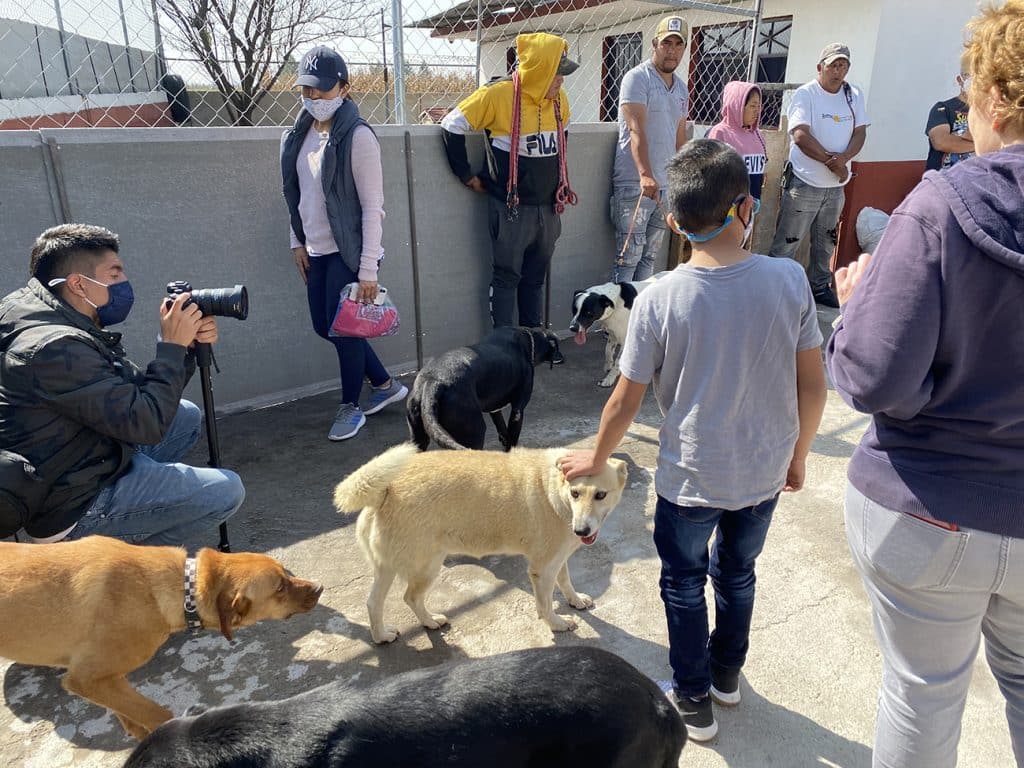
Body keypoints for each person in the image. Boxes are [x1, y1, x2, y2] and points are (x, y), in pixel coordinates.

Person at [559, 139, 827, 742]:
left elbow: (624, 401)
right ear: (746, 207)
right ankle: (727, 677)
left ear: (675, 222)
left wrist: (596, 458)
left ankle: (694, 697)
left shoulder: (656, 298)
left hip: (689, 480)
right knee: (738, 573)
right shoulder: (789, 280)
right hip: (763, 472)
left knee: (683, 581)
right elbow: (814, 387)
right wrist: (799, 454)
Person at [827, 4, 1024, 766]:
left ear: (997, 96)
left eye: (970, 86)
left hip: (930, 509)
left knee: (921, 694)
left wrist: (856, 309)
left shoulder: (940, 205)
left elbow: (874, 376)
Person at [0, 224, 245, 545]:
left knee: (184, 417)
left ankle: (136, 502)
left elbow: (130, 395)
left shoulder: (37, 308)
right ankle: (112, 565)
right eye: (114, 274)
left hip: (76, 451)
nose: (124, 283)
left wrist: (183, 350)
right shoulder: (55, 346)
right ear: (78, 284)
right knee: (225, 491)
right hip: (65, 502)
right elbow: (146, 422)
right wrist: (170, 347)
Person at [281, 45, 408, 442]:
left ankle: (351, 406)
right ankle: (385, 385)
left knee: (345, 331)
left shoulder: (358, 137)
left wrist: (367, 269)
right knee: (326, 325)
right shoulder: (297, 135)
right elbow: (295, 194)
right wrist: (296, 242)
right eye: (307, 90)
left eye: (322, 89)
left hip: (348, 252)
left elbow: (373, 208)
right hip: (314, 248)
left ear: (344, 88)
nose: (314, 98)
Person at [441, 32, 578, 329]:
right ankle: (502, 345)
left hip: (548, 207)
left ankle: (532, 342)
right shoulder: (498, 95)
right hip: (511, 209)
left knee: (535, 278)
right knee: (507, 277)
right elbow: (452, 124)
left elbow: (562, 137)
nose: (561, 81)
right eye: (557, 74)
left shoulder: (558, 101)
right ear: (540, 72)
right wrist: (466, 176)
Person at [768, 43, 870, 308]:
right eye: (833, 65)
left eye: (843, 66)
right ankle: (774, 289)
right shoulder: (807, 94)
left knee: (826, 242)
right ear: (820, 67)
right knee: (789, 239)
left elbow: (860, 132)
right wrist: (830, 161)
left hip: (835, 185)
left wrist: (843, 160)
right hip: (805, 182)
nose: (838, 71)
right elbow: (800, 135)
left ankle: (819, 287)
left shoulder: (853, 94)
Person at [610, 15, 690, 282]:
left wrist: (684, 177)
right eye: (667, 42)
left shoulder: (681, 88)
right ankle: (620, 321)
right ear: (655, 43)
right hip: (636, 184)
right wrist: (645, 173)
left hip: (666, 187)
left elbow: (679, 138)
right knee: (628, 257)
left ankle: (641, 316)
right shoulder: (637, 79)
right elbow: (636, 130)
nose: (672, 50)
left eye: (679, 45)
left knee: (650, 256)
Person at [708, 81, 767, 201]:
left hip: (750, 207)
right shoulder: (720, 133)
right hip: (727, 207)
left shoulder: (757, 135)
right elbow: (711, 176)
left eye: (759, 106)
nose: (757, 111)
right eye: (752, 106)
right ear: (737, 105)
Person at [925, 72, 975, 172]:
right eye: (968, 75)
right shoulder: (943, 108)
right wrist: (982, 146)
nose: (973, 81)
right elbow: (941, 142)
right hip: (944, 179)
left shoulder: (991, 112)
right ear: (959, 80)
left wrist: (957, 136)